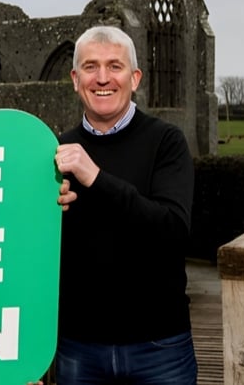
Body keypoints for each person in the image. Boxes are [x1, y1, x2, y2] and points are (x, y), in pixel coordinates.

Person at [53, 25, 197, 384]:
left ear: (134, 78)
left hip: (160, 346)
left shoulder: (167, 142)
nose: (103, 78)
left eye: (114, 66)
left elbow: (173, 230)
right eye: (90, 67)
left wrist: (94, 178)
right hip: (78, 347)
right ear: (75, 78)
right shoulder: (55, 150)